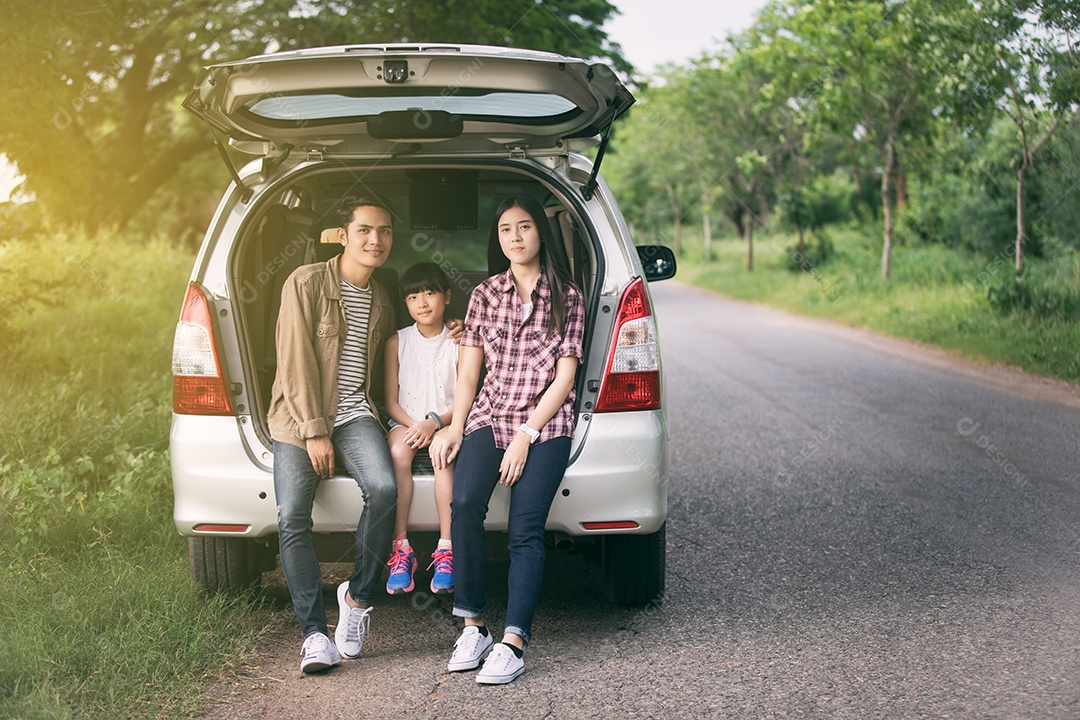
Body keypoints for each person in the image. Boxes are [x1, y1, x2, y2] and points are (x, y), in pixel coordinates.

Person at [430, 194, 585, 685]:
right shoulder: (485, 293)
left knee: (524, 528)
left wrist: (526, 435)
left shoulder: (569, 297)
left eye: (523, 227)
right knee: (465, 504)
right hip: (489, 414)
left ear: (540, 232)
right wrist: (455, 426)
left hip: (546, 423)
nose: (515, 238)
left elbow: (564, 380)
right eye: (504, 230)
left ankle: (514, 641)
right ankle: (473, 625)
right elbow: (470, 368)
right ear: (497, 239)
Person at [266, 195, 399, 674]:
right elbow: (295, 361)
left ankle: (358, 599)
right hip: (299, 418)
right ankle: (314, 636)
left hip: (354, 414)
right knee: (292, 516)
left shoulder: (382, 298)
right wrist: (313, 432)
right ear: (342, 236)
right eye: (364, 230)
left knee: (384, 488)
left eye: (384, 231)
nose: (375, 240)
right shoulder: (305, 282)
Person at [383, 262, 459, 595]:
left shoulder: (460, 340)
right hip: (406, 422)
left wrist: (433, 424)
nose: (422, 303)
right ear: (406, 303)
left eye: (429, 293)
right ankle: (401, 549)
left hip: (446, 421)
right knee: (400, 452)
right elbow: (390, 401)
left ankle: (447, 548)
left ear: (447, 296)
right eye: (413, 296)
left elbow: (467, 399)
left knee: (442, 453)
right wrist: (416, 426)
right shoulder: (396, 342)